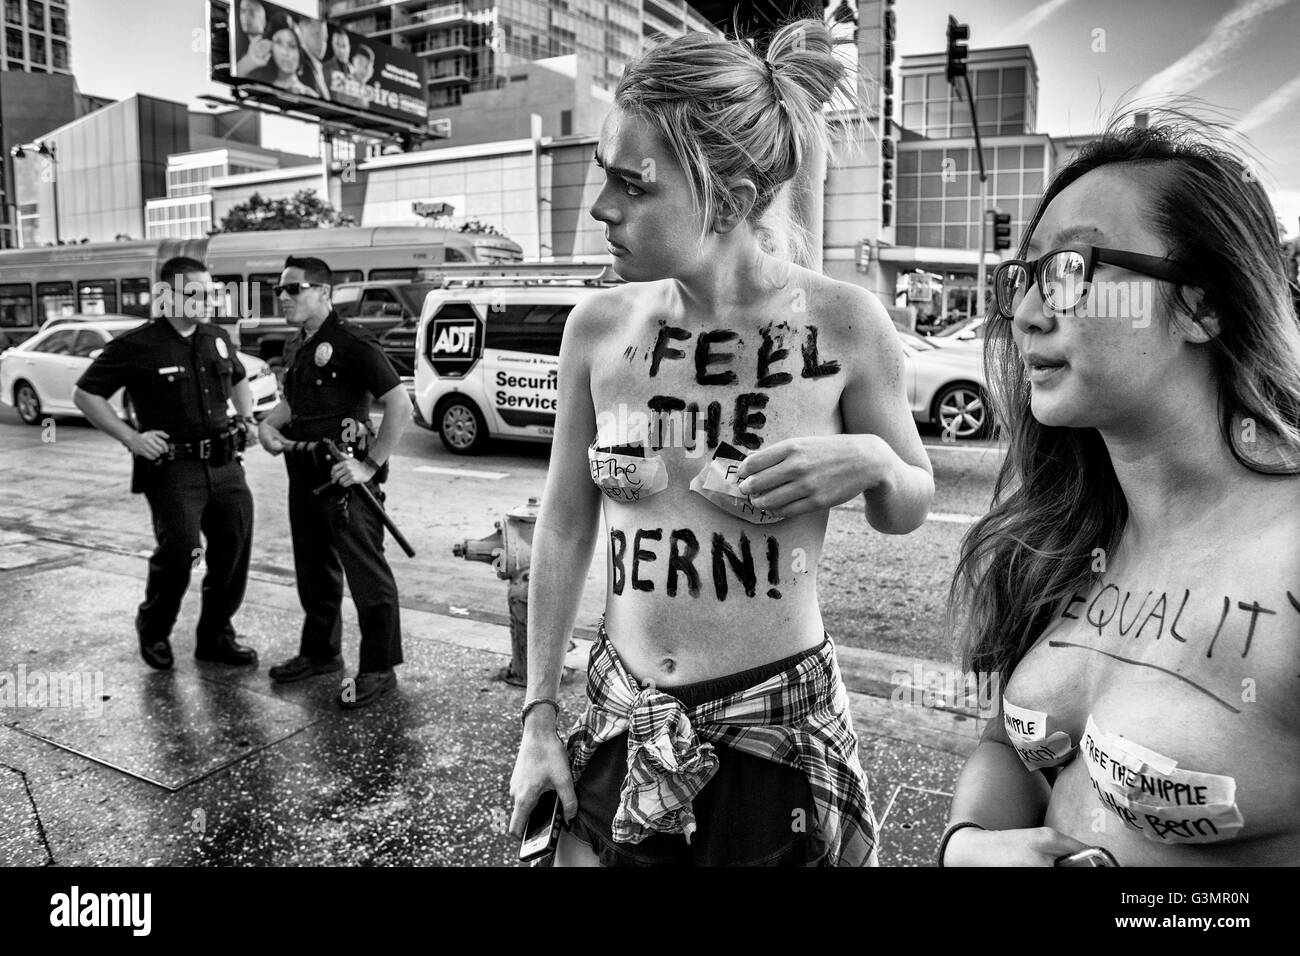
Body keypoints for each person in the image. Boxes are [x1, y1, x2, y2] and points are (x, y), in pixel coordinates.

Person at [507, 20, 934, 866]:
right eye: (604, 175)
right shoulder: (598, 330)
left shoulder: (844, 324)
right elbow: (562, 524)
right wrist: (539, 714)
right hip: (622, 723)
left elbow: (909, 505)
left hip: (775, 737)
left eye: (635, 185)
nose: (603, 208)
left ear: (731, 200)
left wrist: (876, 463)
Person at [942, 118, 1300, 866]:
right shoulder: (1061, 539)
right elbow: (1008, 744)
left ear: (1204, 305)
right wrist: (968, 846)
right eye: (1026, 277)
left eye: (1071, 267)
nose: (1028, 314)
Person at [72, 257, 258, 671]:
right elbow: (85, 394)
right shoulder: (137, 345)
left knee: (232, 551)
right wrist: (131, 438)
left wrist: (246, 419)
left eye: (212, 292)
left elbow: (240, 378)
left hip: (227, 464)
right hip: (173, 470)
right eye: (197, 293)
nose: (208, 300)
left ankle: (215, 636)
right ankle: (154, 628)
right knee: (180, 553)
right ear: (166, 296)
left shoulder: (216, 337)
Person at [257, 256, 410, 709]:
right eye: (279, 290)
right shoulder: (298, 346)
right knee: (314, 569)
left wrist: (370, 465)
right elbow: (293, 403)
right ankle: (321, 653)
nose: (283, 297)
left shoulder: (351, 341)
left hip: (346, 475)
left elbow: (399, 405)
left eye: (294, 288)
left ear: (324, 292)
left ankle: (379, 669)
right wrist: (269, 424)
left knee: (367, 576)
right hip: (302, 471)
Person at [247, 12, 319, 98]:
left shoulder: (311, 96)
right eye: (278, 43)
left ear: (300, 52)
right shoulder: (261, 90)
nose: (285, 52)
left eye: (292, 45)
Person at [233, 0, 270, 77]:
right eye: (243, 11)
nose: (245, 17)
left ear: (264, 21)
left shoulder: (268, 47)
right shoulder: (240, 48)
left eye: (252, 13)